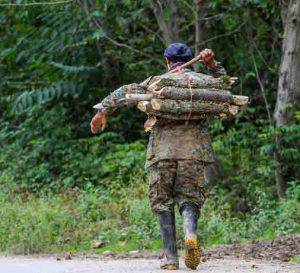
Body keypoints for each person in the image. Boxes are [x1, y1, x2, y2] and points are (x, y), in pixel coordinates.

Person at [90, 43, 226, 270]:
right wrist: (212, 64)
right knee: (190, 198)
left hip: (162, 151)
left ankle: (171, 259)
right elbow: (225, 86)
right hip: (195, 150)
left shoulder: (158, 82)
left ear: (167, 60)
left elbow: (125, 92)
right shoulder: (203, 83)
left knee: (162, 201)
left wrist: (101, 111)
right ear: (191, 59)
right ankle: (190, 234)